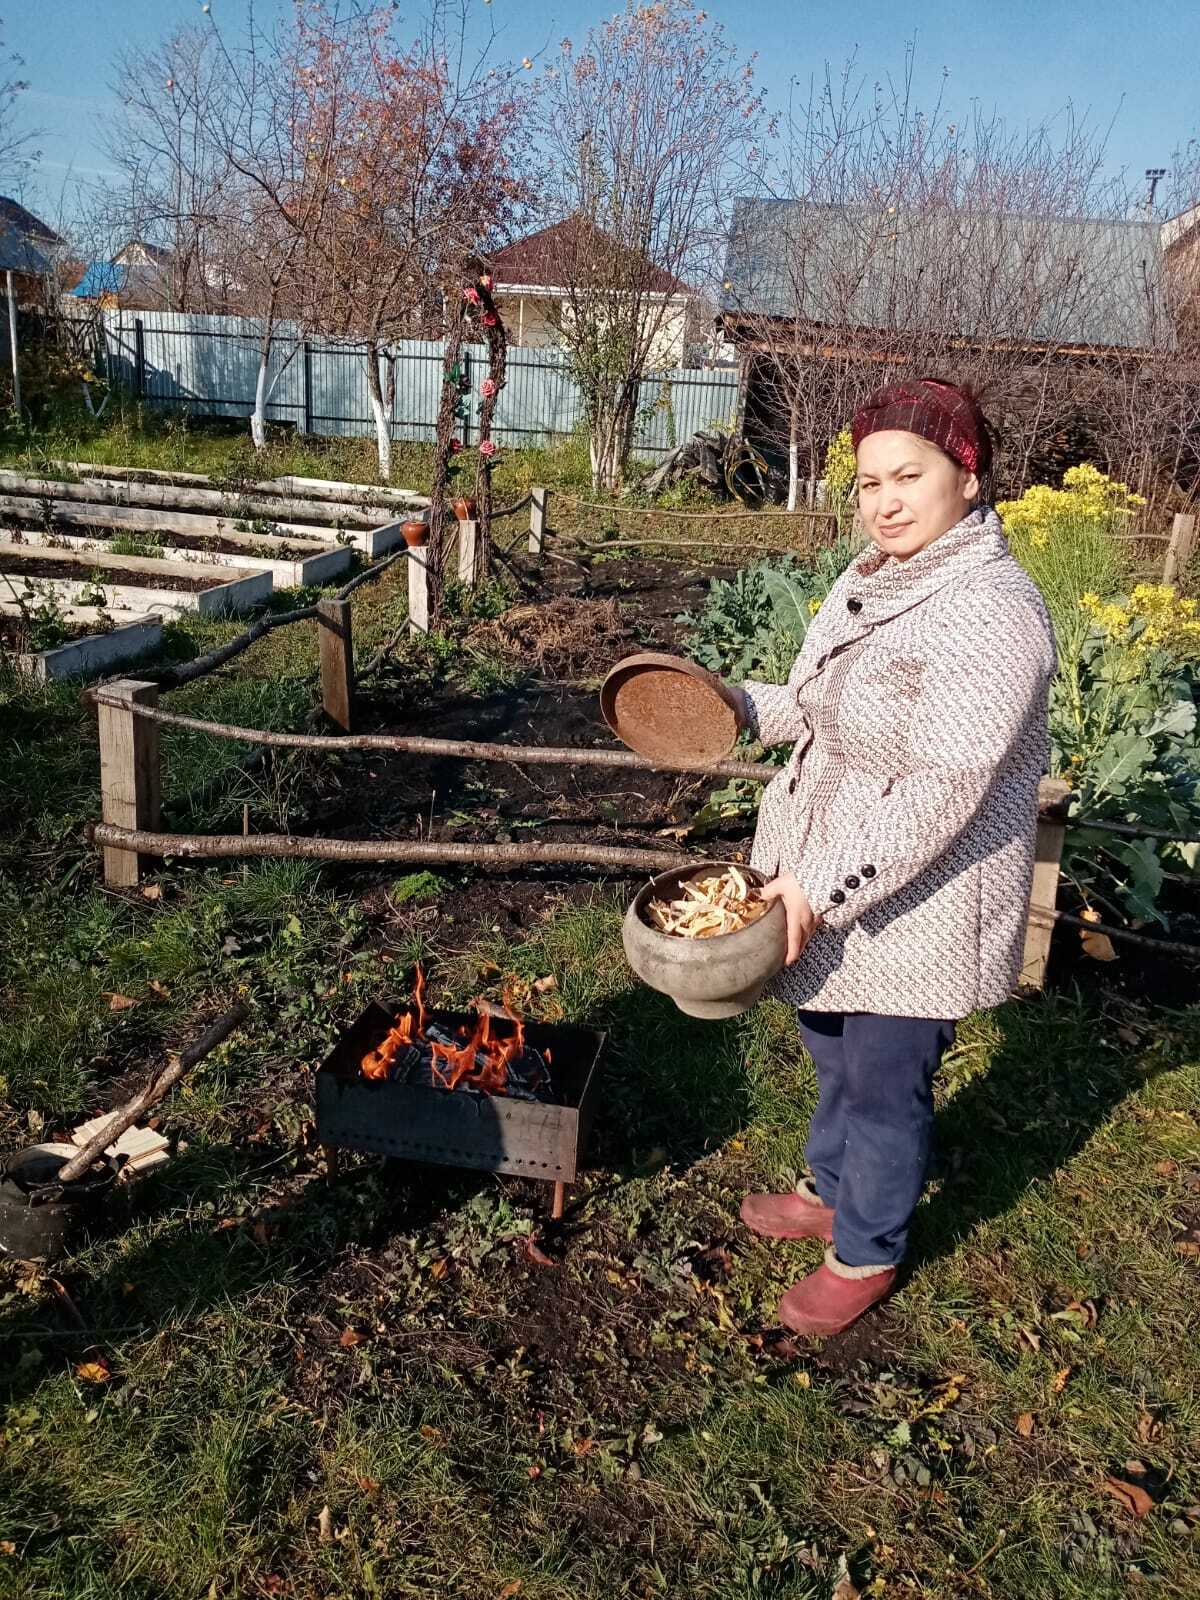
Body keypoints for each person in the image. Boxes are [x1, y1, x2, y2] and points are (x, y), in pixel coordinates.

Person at [730, 378, 1057, 1337]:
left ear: (968, 473)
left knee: (884, 1075)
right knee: (832, 1044)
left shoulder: (993, 613)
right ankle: (835, 1189)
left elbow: (941, 791)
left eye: (908, 476)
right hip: (833, 870)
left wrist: (816, 892)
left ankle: (866, 1248)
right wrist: (735, 703)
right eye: (870, 481)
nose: (885, 500)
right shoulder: (878, 573)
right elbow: (822, 701)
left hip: (921, 895)